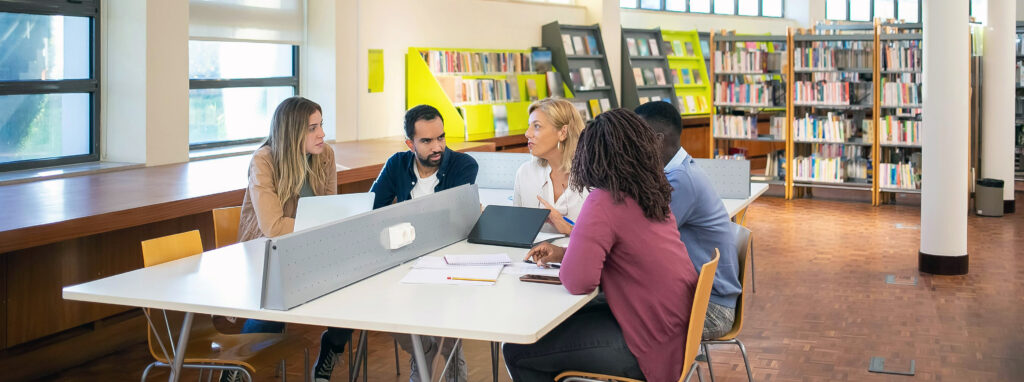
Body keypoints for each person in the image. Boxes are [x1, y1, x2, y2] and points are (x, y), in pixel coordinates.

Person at [503, 109, 699, 382]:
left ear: (591, 156)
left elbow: (578, 281)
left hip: (644, 344)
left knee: (517, 351)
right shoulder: (650, 193)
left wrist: (572, 259)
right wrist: (564, 252)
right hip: (672, 332)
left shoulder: (604, 201)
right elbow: (625, 254)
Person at [235, 96, 353, 382]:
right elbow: (273, 226)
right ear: (292, 132)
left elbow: (330, 209)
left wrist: (327, 224)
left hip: (310, 248)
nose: (322, 133)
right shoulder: (264, 160)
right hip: (268, 253)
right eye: (312, 128)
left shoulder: (325, 155)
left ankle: (329, 353)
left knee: (353, 293)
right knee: (275, 310)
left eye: (321, 125)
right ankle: (236, 369)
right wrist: (322, 223)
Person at [370, 104, 478, 382]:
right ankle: (424, 353)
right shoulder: (396, 164)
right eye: (427, 141)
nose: (437, 146)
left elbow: (454, 222)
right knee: (380, 305)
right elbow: (371, 211)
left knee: (447, 316)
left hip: (447, 260)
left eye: (441, 137)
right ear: (410, 143)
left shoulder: (463, 165)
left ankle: (452, 372)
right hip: (403, 261)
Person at [635, 101, 741, 340]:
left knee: (617, 318)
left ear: (657, 139)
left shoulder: (680, 180)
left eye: (637, 137)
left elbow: (644, 238)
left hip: (711, 309)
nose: (631, 146)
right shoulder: (676, 171)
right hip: (699, 297)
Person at [513, 98, 589, 235]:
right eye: (529, 126)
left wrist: (570, 230)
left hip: (579, 256)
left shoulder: (593, 178)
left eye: (536, 126)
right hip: (533, 255)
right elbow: (517, 227)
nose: (527, 133)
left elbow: (608, 238)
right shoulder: (525, 173)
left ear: (563, 132)